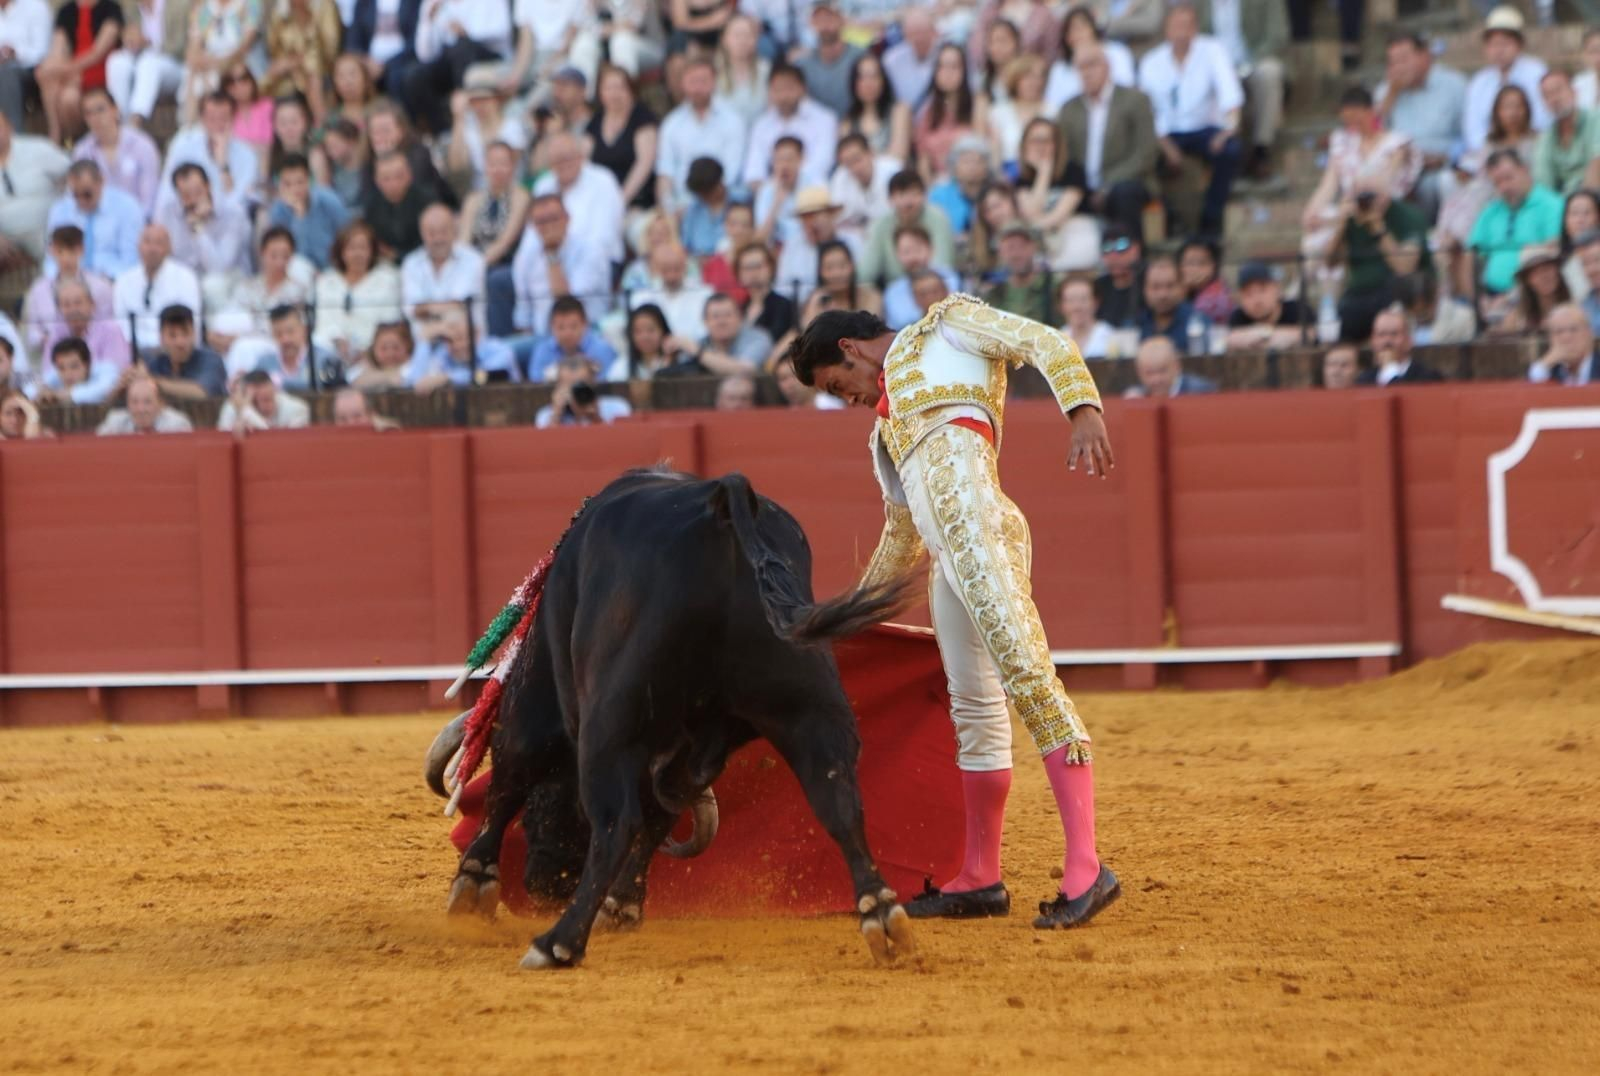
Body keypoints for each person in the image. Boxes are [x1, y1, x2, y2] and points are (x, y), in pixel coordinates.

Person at [787, 297, 1119, 930]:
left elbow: (1046, 342)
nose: (847, 399)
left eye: (836, 385)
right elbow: (903, 536)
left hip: (984, 536)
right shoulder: (886, 430)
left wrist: (1083, 410)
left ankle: (1086, 867)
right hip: (948, 562)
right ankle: (980, 876)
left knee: (1029, 678)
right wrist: (848, 615)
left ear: (850, 349)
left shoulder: (948, 328)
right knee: (973, 708)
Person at [1137, 2, 1244, 236]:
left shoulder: (1213, 50)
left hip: (1206, 128)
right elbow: (1146, 112)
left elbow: (1231, 96)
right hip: (1166, 133)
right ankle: (1171, 218)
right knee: (1143, 158)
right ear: (1166, 29)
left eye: (1187, 25)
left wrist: (1227, 131)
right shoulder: (1151, 62)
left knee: (1230, 150)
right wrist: (1165, 146)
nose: (1182, 31)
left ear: (1196, 28)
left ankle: (1211, 218)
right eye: (1177, 25)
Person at [1300, 87, 1421, 266]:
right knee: (1316, 234)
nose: (1353, 125)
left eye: (1357, 118)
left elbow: (1385, 182)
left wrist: (1357, 197)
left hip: (1384, 207)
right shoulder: (1342, 142)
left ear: (1370, 111)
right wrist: (1312, 211)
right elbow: (1329, 183)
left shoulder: (1395, 143)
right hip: (1347, 211)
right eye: (1347, 120)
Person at [1056, 46, 1159, 244]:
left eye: (1092, 65)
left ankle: (1131, 255)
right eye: (1080, 67)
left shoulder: (1135, 100)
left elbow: (1145, 153)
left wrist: (1106, 186)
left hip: (1127, 180)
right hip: (1083, 186)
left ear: (1107, 66)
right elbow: (1065, 155)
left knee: (1124, 194)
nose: (1086, 73)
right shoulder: (1068, 109)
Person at [1375, 32, 1467, 219]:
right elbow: (1372, 133)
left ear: (1425, 57)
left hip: (1440, 164)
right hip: (1397, 166)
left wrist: (1447, 157)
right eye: (1393, 62)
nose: (1398, 67)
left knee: (1431, 186)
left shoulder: (1454, 84)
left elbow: (1468, 133)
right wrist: (1392, 94)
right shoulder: (1386, 90)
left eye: (1403, 59)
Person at [1193, 0, 1287, 181]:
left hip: (1254, 61)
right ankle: (1211, 153)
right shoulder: (1202, 4)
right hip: (1216, 69)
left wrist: (1247, 67)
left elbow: (1277, 36)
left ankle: (1261, 150)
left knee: (1269, 73)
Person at [1330, 180, 1430, 342]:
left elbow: (1404, 268)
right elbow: (1329, 263)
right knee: (1345, 314)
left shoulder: (1407, 216)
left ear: (1386, 195)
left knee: (1392, 308)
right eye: (1359, 197)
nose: (1365, 202)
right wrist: (1340, 225)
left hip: (1395, 290)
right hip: (1357, 295)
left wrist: (1377, 226)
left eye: (1370, 196)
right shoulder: (1352, 218)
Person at [401, 0, 512, 136]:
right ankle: (443, 132)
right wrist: (428, 22)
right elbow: (425, 55)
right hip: (450, 57)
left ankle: (465, 115)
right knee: (414, 76)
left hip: (487, 54)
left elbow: (501, 33)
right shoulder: (431, 2)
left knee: (462, 48)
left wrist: (467, 33)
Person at [510, 193, 613, 338]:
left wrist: (552, 254)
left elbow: (568, 307)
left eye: (553, 218)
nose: (549, 226)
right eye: (541, 221)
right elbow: (523, 312)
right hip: (541, 338)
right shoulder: (526, 257)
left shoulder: (590, 250)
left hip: (587, 334)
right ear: (533, 226)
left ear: (567, 218)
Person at [1466, 149, 1563, 300]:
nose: (1504, 187)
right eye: (1497, 183)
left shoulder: (1551, 205)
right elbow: (1473, 253)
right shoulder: (1491, 212)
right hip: (1492, 295)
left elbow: (1554, 248)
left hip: (1534, 294)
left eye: (1508, 178)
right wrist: (1476, 300)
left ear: (1525, 170)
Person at [655, 58, 746, 213]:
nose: (698, 88)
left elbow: (732, 171)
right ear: (683, 83)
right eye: (692, 81)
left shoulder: (733, 120)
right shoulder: (671, 123)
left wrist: (705, 202)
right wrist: (669, 209)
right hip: (680, 205)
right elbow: (665, 173)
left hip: (722, 202)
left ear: (714, 82)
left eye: (703, 81)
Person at [155, 163, 250, 308]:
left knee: (212, 285)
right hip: (185, 278)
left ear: (208, 186)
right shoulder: (168, 213)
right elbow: (169, 258)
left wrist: (198, 229)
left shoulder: (233, 213)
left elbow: (219, 268)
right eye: (186, 195)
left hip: (229, 279)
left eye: (197, 192)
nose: (193, 200)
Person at [33, 0, 123, 144]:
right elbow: (58, 46)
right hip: (73, 70)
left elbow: (98, 52)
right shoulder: (67, 11)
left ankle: (69, 138)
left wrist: (65, 69)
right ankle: (56, 130)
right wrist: (53, 66)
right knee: (52, 77)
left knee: (68, 98)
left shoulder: (110, 8)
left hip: (97, 67)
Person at [1463, 6, 1549, 154]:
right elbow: (1473, 129)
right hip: (1489, 153)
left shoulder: (1537, 72)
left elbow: (1542, 119)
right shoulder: (1479, 82)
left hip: (1531, 149)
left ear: (1520, 45)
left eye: (1505, 43)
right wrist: (1491, 151)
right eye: (1493, 44)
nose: (1499, 50)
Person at [1014, 118, 1098, 271]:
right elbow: (1031, 212)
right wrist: (1043, 172)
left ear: (1057, 144)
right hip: (1042, 244)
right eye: (1035, 141)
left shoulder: (1073, 171)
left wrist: (1033, 227)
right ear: (1024, 145)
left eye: (1046, 140)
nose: (1040, 146)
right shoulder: (1022, 180)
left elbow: (1058, 216)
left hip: (1074, 235)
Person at [312, 221, 402, 363]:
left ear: (372, 251)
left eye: (363, 248)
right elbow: (322, 324)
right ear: (341, 251)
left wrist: (366, 351)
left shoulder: (387, 279)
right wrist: (338, 341)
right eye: (351, 248)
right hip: (331, 353)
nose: (357, 254)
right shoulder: (326, 281)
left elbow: (390, 322)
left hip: (374, 356)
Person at [158, 90, 260, 215]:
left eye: (223, 118)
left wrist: (223, 163)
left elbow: (240, 201)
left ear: (233, 118)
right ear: (202, 119)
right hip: (186, 215)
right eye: (212, 119)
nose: (218, 125)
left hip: (228, 219)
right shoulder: (183, 143)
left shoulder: (247, 154)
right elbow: (167, 190)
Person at [534, 130, 627, 267]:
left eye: (568, 157)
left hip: (598, 263)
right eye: (558, 160)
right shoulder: (543, 186)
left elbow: (603, 238)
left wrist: (560, 256)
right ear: (550, 165)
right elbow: (533, 235)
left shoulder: (603, 180)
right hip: (550, 262)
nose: (564, 164)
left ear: (580, 156)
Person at [742, 62, 838, 192]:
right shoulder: (762, 125)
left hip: (811, 190)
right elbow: (754, 171)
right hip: (772, 192)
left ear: (803, 88)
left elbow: (821, 165)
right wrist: (771, 190)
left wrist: (788, 183)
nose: (783, 96)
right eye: (777, 90)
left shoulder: (825, 119)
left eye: (789, 88)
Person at [21, 225, 115, 356]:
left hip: (94, 353)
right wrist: (47, 340)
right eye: (60, 251)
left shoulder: (101, 287)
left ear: (81, 250)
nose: (66, 258)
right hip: (53, 355)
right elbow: (31, 333)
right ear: (52, 250)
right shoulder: (39, 289)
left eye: (71, 251)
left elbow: (109, 325)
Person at [401, 203, 486, 342]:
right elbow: (413, 310)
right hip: (423, 345)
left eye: (443, 231)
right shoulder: (411, 263)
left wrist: (427, 310)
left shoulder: (473, 259)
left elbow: (460, 305)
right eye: (432, 233)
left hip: (466, 344)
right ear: (422, 233)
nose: (438, 238)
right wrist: (445, 311)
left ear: (454, 230)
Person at [45, 159, 143, 278]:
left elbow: (131, 260)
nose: (81, 201)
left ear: (101, 182)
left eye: (87, 194)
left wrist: (109, 281)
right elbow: (52, 258)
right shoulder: (61, 210)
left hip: (113, 278)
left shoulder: (126, 207)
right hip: (70, 280)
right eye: (75, 195)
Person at [72, 86, 161, 216]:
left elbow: (150, 197)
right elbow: (77, 197)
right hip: (97, 222)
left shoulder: (142, 145)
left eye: (100, 110)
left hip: (138, 221)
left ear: (115, 110)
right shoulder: (82, 152)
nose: (95, 118)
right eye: (89, 113)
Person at [113, 223, 202, 351]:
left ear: (169, 248)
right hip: (134, 350)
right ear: (138, 246)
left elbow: (191, 322)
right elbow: (121, 323)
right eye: (147, 242)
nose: (152, 249)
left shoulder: (185, 278)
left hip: (173, 349)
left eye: (159, 243)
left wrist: (163, 344)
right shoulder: (124, 281)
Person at [103, 0, 190, 129]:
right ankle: (119, 120)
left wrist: (147, 43)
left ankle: (136, 120)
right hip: (143, 64)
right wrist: (131, 42)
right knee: (117, 61)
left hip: (175, 65)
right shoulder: (132, 9)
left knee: (149, 61)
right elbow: (130, 41)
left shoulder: (178, 6)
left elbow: (180, 47)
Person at [859, 170, 956, 286]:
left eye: (914, 194)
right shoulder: (880, 226)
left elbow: (943, 264)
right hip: (894, 287)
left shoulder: (938, 218)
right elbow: (866, 272)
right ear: (890, 199)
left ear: (924, 196)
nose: (907, 202)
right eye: (901, 195)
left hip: (935, 286)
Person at [0, 109, 70, 266]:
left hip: (44, 228)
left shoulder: (38, 149)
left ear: (10, 127)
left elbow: (72, 174)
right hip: (5, 236)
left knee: (57, 249)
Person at [586, 65, 658, 214]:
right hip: (599, 202)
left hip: (636, 202)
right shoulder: (595, 121)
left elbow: (644, 164)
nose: (614, 94)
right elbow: (583, 162)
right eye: (608, 88)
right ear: (600, 92)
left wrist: (618, 201)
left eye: (620, 87)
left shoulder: (643, 118)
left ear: (631, 90)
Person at [914, 44, 988, 185]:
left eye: (954, 67)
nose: (948, 73)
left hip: (972, 181)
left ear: (964, 71)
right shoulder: (928, 111)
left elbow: (979, 145)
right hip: (938, 183)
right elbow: (923, 158)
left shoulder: (978, 103)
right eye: (942, 67)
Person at [1043, 7, 1137, 113]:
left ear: (1093, 28)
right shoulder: (1060, 69)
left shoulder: (1118, 53)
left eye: (1080, 28)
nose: (1076, 35)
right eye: (1070, 31)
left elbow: (1126, 89)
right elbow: (1053, 106)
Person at [267, 153, 350, 271]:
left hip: (333, 269)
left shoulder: (329, 201)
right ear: (279, 184)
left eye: (300, 182)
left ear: (309, 180)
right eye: (287, 184)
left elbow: (346, 237)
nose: (294, 189)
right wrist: (299, 216)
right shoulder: (278, 211)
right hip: (298, 272)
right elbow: (287, 254)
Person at [262, 0, 340, 117]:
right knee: (274, 78)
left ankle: (321, 120)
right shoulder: (280, 10)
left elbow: (330, 50)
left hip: (320, 70)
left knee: (313, 77)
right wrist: (289, 64)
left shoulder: (325, 5)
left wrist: (300, 62)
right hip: (287, 72)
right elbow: (273, 49)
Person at [405, 311, 519, 390]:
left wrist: (449, 378)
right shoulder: (444, 353)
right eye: (449, 340)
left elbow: (490, 377)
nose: (456, 346)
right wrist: (424, 342)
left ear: (477, 334)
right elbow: (413, 382)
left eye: (460, 338)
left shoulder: (498, 350)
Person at [1533, 69, 1600, 198]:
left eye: (1558, 91)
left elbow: (1597, 164)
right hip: (1564, 204)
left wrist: (1584, 202)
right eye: (1547, 95)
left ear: (1574, 92)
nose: (1554, 99)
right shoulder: (1545, 138)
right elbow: (1543, 184)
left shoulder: (1596, 119)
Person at [882, 226, 960, 330]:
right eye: (906, 252)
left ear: (931, 249)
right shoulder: (892, 292)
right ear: (897, 254)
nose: (913, 257)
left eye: (918, 249)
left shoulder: (949, 278)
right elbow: (899, 326)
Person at [631, 242, 714, 340]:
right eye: (666, 269)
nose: (672, 275)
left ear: (685, 265)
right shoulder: (642, 298)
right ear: (656, 268)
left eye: (677, 268)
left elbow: (708, 329)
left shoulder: (705, 294)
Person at [793, 2, 861, 118]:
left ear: (841, 19)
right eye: (819, 19)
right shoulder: (802, 64)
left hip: (854, 123)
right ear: (812, 23)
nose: (825, 25)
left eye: (829, 17)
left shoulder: (859, 57)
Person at [528, 295, 618, 382]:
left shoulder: (602, 349)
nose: (567, 333)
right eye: (561, 327)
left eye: (573, 326)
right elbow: (536, 381)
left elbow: (607, 383)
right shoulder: (543, 350)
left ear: (585, 324)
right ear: (551, 326)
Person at [144, 303, 227, 397]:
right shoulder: (157, 364)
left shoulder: (211, 360)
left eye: (185, 333)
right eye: (172, 335)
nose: (180, 342)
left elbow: (201, 393)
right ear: (161, 338)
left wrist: (152, 381)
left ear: (194, 334)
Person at [842, 50, 910, 164]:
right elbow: (846, 160)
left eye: (874, 76)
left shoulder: (899, 111)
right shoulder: (847, 123)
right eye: (862, 77)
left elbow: (898, 157)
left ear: (883, 80)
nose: (868, 83)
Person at [256, 303, 343, 390]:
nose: (285, 339)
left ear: (305, 330)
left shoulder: (325, 359)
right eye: (278, 334)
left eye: (290, 331)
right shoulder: (264, 363)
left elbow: (329, 388)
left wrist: (277, 381)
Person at [534, 352, 632, 428]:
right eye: (569, 386)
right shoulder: (545, 415)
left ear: (593, 382)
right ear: (559, 387)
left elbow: (621, 441)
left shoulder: (617, 408)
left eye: (581, 385)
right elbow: (545, 445)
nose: (576, 391)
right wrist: (556, 416)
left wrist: (596, 418)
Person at [984, 223, 1057, 324]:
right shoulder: (995, 294)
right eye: (1010, 248)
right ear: (1001, 253)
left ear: (1033, 247)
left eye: (1022, 246)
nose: (1016, 254)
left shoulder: (1053, 286)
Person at [1492, 242, 1569, 335]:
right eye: (1536, 273)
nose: (1544, 276)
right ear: (1527, 280)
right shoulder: (1517, 319)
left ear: (1557, 270)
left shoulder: (1577, 308)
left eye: (1547, 268)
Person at [1225, 260, 1304, 350]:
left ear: (1276, 288)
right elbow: (1231, 339)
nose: (1257, 299)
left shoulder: (1297, 310)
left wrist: (1262, 335)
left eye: (1262, 290)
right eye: (1248, 293)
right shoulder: (1238, 317)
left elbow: (1309, 334)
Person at [801, 239, 882, 325]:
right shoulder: (816, 299)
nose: (837, 273)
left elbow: (871, 327)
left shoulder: (871, 296)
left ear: (852, 266)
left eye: (842, 266)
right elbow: (806, 329)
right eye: (829, 268)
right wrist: (814, 303)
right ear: (820, 271)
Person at [610, 302, 697, 380]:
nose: (645, 336)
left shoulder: (680, 360)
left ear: (663, 330)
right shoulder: (622, 366)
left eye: (651, 330)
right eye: (638, 331)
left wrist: (669, 364)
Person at [1357, 306, 1443, 385]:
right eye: (1381, 334)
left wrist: (1390, 370)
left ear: (1409, 340)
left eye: (1394, 334)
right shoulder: (1363, 381)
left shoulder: (1427, 377)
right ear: (1373, 341)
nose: (1387, 341)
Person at [1136, 255, 1207, 351]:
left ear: (1182, 288)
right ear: (1144, 290)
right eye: (1156, 287)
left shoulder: (1197, 323)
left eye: (1170, 286)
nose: (1163, 294)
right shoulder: (1138, 323)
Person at [0, 0, 51, 130]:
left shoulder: (35, 6)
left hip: (31, 71)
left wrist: (15, 53)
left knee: (6, 73)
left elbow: (42, 52)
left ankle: (14, 134)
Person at [1392, 270, 1475, 346]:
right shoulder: (1393, 317)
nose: (1420, 319)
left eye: (1424, 313)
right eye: (1415, 315)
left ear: (1437, 298)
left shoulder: (1463, 318)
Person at [695, 292, 772, 374]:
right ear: (705, 321)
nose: (722, 321)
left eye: (727, 315)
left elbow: (744, 371)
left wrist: (698, 353)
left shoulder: (758, 339)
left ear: (740, 318)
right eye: (715, 316)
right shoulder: (701, 343)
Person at [218, 368, 312, 432]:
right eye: (256, 400)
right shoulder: (234, 406)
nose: (263, 405)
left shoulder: (297, 409)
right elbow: (224, 442)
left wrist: (246, 411)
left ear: (275, 391)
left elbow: (275, 442)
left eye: (267, 399)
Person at [96, 373, 193, 434]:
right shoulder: (115, 421)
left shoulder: (177, 424)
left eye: (147, 402)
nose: (140, 409)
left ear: (161, 404)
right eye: (134, 402)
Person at [1125, 334, 1217, 397]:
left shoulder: (1201, 392)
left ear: (1177, 366)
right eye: (1149, 373)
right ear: (1139, 372)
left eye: (1162, 371)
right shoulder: (1136, 396)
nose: (1156, 379)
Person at [1529, 302, 1598, 384]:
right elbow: (1530, 386)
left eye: (1573, 329)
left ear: (1590, 333)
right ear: (1550, 338)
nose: (1566, 337)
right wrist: (1546, 363)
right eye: (1559, 331)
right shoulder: (1549, 369)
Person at [880, 9, 938, 106]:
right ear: (905, 34)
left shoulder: (946, 56)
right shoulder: (891, 60)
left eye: (923, 32)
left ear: (934, 32)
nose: (919, 38)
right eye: (914, 33)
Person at [1094, 224, 1143, 329]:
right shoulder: (1098, 287)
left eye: (1121, 246)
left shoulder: (1149, 281)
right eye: (1106, 248)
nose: (1113, 255)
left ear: (1136, 249)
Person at [1058, 275, 1118, 358]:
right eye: (1070, 300)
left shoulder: (1110, 337)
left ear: (1096, 303)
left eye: (1083, 299)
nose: (1077, 306)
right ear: (1061, 305)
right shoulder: (1056, 341)